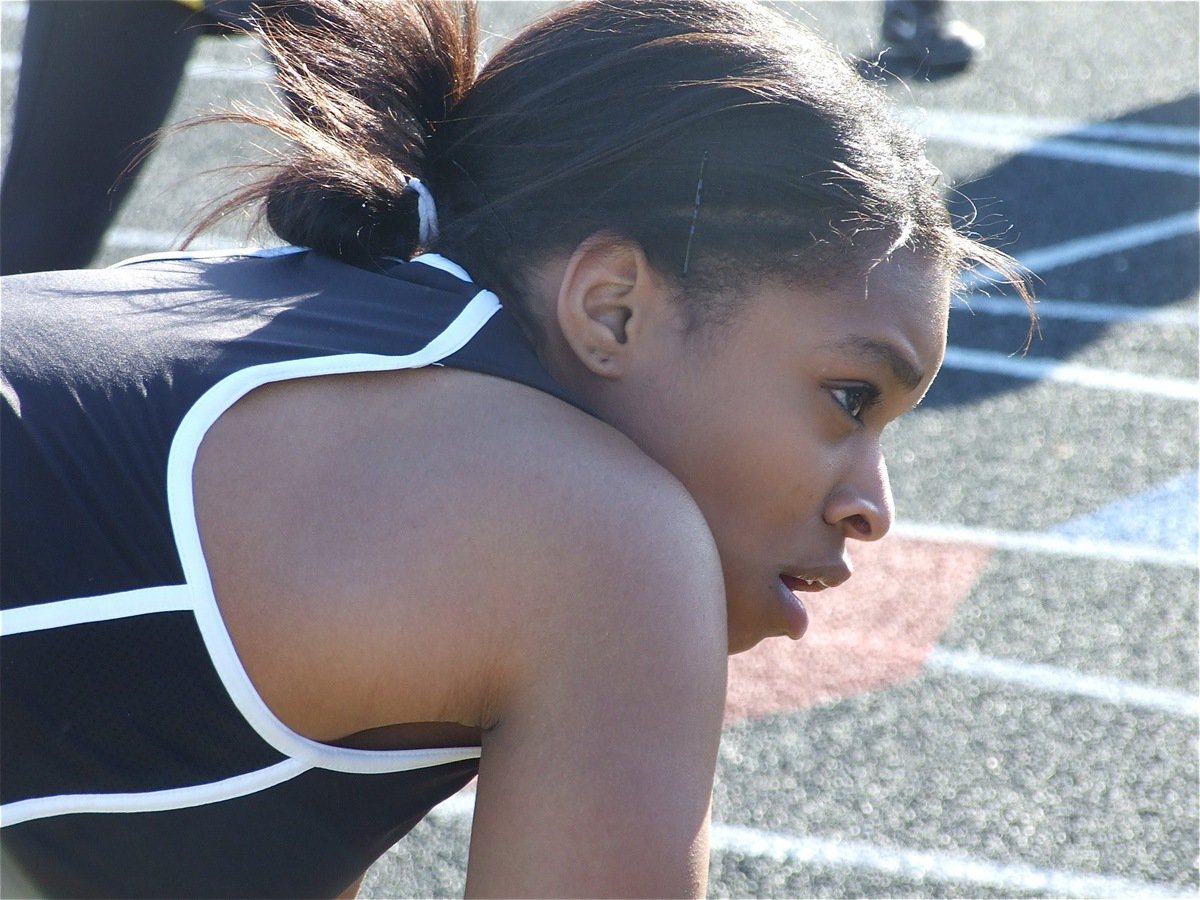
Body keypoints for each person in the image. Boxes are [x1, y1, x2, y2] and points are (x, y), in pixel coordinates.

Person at [0, 1, 1029, 897]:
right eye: (850, 398)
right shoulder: (603, 545)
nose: (873, 507)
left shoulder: (334, 339)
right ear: (612, 308)